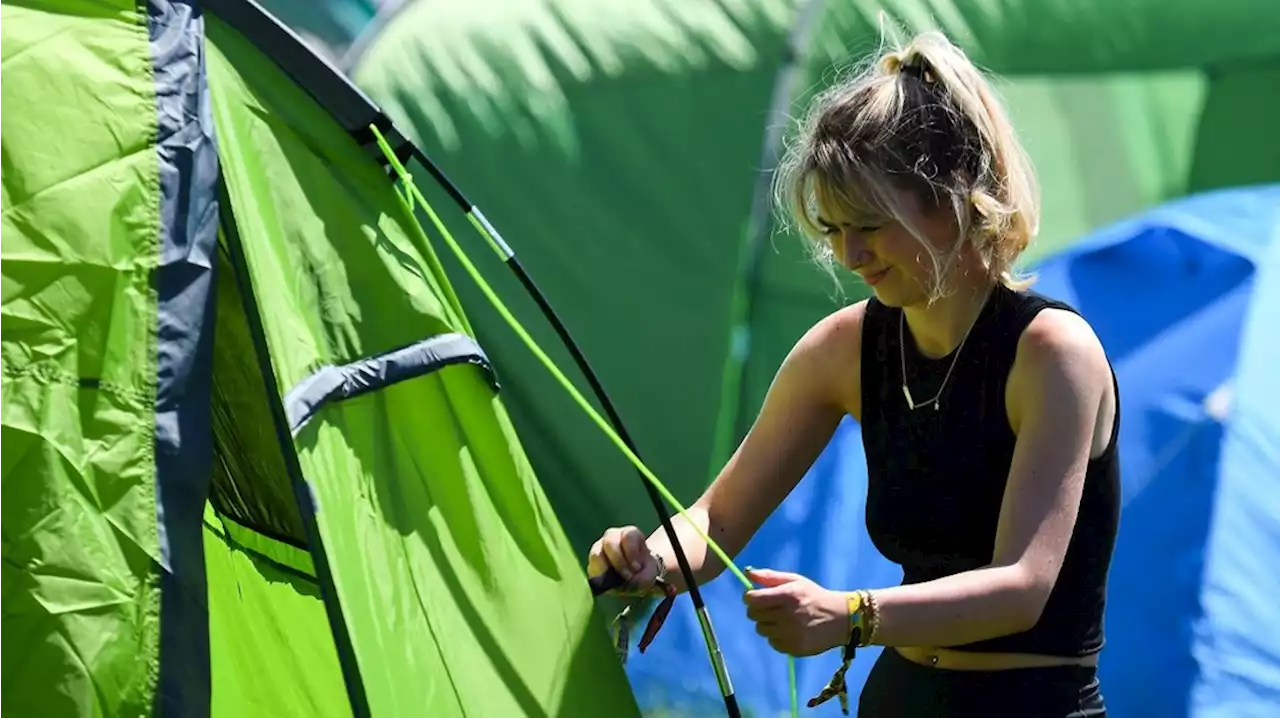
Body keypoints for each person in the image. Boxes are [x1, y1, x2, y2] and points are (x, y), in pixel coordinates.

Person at [586, 30, 1120, 717]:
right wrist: (648, 560)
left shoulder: (1051, 353)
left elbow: (1022, 586)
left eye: (870, 223)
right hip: (897, 698)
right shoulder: (842, 348)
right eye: (834, 229)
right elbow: (714, 519)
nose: (850, 253)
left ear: (956, 194)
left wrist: (852, 615)